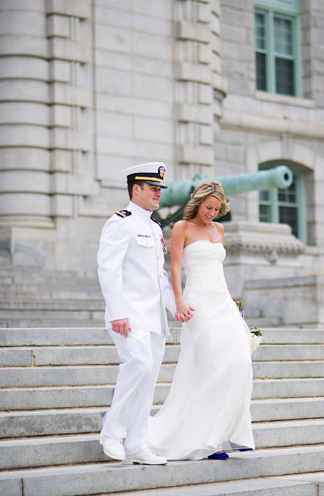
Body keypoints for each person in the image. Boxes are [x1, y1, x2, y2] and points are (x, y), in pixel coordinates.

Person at [146, 180, 255, 461]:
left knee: (240, 359)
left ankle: (229, 430)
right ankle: (210, 440)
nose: (213, 213)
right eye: (209, 207)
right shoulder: (182, 228)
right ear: (198, 203)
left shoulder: (219, 229)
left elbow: (218, 270)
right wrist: (179, 301)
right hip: (198, 303)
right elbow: (176, 266)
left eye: (217, 209)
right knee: (212, 366)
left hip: (222, 300)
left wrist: (234, 305)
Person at [97, 161, 186, 466]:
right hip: (129, 316)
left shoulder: (153, 226)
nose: (158, 193)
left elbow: (159, 277)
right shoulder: (120, 222)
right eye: (153, 188)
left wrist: (176, 308)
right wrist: (117, 312)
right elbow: (108, 271)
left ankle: (136, 443)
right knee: (138, 364)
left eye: (160, 188)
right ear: (136, 189)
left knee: (148, 379)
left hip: (153, 319)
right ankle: (111, 431)